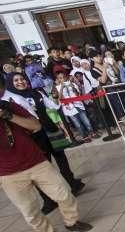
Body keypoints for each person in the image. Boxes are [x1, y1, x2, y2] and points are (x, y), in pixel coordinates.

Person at [0, 95, 92, 232]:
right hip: (8, 173)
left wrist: (9, 116)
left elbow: (35, 126)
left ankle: (72, 222)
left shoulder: (9, 106)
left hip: (37, 162)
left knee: (64, 193)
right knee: (29, 211)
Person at [3, 73, 85, 214]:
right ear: (10, 83)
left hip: (51, 130)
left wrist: (54, 96)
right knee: (43, 166)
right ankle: (48, 200)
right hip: (34, 136)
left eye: (22, 79)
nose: (20, 82)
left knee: (61, 158)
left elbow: (53, 105)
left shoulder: (37, 92)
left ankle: (72, 184)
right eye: (16, 80)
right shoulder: (9, 101)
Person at [55, 72, 98, 142]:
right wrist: (61, 89)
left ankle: (92, 132)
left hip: (78, 104)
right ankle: (84, 136)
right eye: (60, 78)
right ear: (58, 79)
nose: (62, 79)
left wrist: (73, 88)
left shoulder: (73, 84)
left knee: (86, 120)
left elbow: (78, 94)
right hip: (69, 108)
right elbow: (59, 99)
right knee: (77, 124)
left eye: (63, 77)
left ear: (66, 77)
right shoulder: (57, 88)